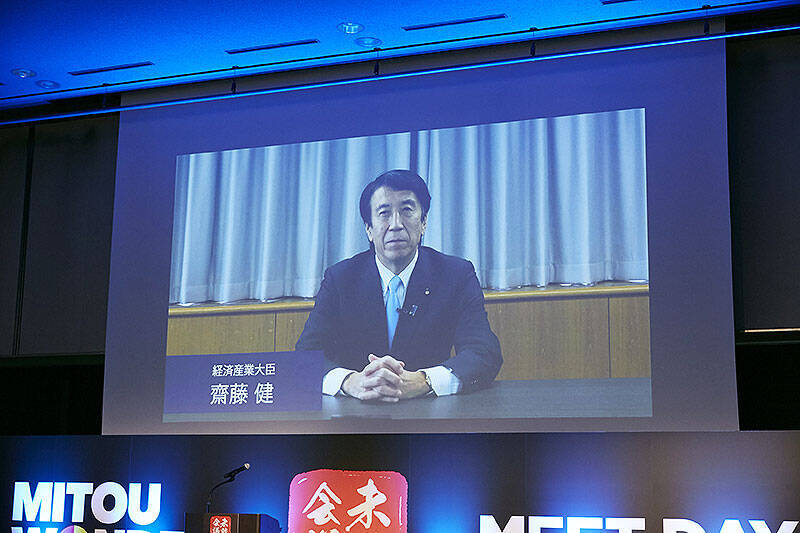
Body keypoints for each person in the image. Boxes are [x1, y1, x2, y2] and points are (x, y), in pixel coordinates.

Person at [295, 169, 502, 402]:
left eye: (407, 211)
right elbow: (305, 357)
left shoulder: (455, 275)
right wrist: (350, 382)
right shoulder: (341, 279)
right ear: (369, 229)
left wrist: (425, 380)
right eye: (384, 213)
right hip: (354, 412)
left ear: (423, 222)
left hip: (428, 411)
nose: (396, 224)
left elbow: (484, 353)